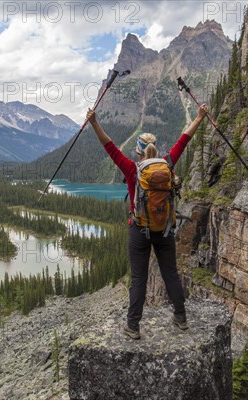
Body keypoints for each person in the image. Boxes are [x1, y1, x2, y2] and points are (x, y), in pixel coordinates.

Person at [86, 104, 209, 339]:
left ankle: (133, 326)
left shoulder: (133, 169)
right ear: (155, 149)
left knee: (139, 278)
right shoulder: (167, 163)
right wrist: (200, 117)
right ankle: (181, 317)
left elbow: (109, 146)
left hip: (139, 230)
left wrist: (94, 122)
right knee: (170, 273)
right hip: (164, 229)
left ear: (138, 152)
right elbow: (185, 139)